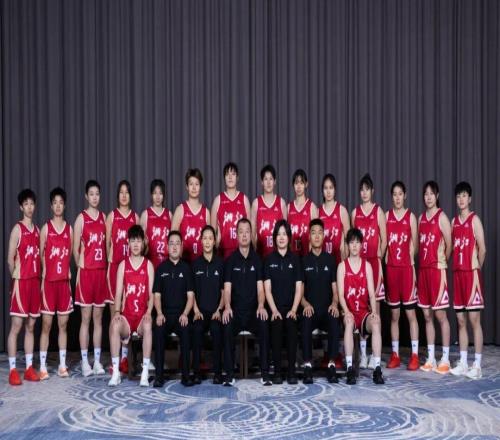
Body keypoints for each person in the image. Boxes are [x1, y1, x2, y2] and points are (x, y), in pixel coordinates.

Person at [222, 218, 271, 386]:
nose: (244, 235)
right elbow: (227, 289)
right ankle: (229, 374)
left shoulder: (257, 260)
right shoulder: (230, 261)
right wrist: (227, 307)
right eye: (241, 232)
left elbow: (261, 289)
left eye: (247, 232)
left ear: (252, 235)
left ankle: (265, 373)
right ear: (236, 235)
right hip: (236, 312)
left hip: (252, 312)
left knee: (264, 323)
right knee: (226, 323)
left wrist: (261, 305)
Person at [108, 225, 154, 387]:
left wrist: (149, 311)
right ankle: (116, 371)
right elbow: (118, 293)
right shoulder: (123, 265)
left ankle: (145, 372)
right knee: (114, 324)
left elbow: (152, 294)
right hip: (127, 317)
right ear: (128, 243)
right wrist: (117, 312)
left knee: (148, 325)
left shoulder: (148, 265)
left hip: (141, 317)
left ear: (143, 243)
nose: (135, 244)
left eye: (138, 241)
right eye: (133, 241)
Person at [337, 228, 384, 385]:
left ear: (361, 245)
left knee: (376, 322)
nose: (354, 246)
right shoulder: (342, 266)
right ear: (347, 245)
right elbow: (340, 295)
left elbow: (371, 294)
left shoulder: (367, 266)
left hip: (363, 314)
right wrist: (346, 311)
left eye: (357, 242)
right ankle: (350, 368)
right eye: (352, 243)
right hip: (349, 312)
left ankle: (377, 368)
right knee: (349, 322)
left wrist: (374, 312)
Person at [450, 182, 486, 379]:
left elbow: (483, 249)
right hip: (458, 275)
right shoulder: (454, 222)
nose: (461, 199)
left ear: (470, 198)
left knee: (474, 319)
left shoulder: (475, 220)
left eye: (464, 195)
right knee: (460, 320)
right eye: (458, 196)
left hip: (471, 275)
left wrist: (476, 268)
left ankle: (477, 365)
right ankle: (463, 362)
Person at [351, 173, 387, 369]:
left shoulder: (378, 211)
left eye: (367, 189)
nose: (364, 193)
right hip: (359, 265)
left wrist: (378, 257)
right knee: (361, 308)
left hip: (373, 263)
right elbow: (352, 239)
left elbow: (385, 239)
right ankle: (363, 354)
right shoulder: (355, 213)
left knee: (375, 310)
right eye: (361, 190)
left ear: (372, 191)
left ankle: (375, 354)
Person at [418, 181, 452, 374]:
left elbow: (449, 244)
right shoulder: (421, 218)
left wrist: (441, 262)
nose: (428, 197)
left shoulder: (442, 217)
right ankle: (430, 357)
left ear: (437, 196)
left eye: (432, 193)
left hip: (437, 270)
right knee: (427, 315)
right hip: (423, 271)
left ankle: (445, 358)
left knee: (440, 315)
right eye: (426, 194)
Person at [385, 181, 420, 371]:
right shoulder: (386, 216)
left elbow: (415, 246)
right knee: (394, 315)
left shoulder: (410, 217)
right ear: (391, 196)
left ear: (405, 195)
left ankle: (414, 355)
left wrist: (408, 263)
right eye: (394, 194)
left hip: (406, 270)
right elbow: (384, 243)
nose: (397, 197)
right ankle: (395, 354)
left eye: (400, 194)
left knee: (410, 313)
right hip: (391, 269)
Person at [7, 189, 41, 385]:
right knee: (16, 326)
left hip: (34, 283)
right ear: (21, 207)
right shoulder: (17, 229)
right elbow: (10, 259)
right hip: (21, 282)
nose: (29, 207)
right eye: (26, 204)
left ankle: (28, 368)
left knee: (31, 326)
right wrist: (16, 278)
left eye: (31, 203)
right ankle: (13, 370)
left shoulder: (37, 230)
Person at [73, 180, 107, 377]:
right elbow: (75, 249)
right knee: (85, 319)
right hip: (87, 273)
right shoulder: (81, 218)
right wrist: (83, 266)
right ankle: (85, 361)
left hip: (101, 273)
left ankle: (97, 361)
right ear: (86, 196)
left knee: (98, 319)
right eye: (91, 194)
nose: (94, 197)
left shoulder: (103, 217)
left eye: (97, 194)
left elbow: (107, 246)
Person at [39, 187, 73, 380]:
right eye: (55, 203)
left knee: (63, 325)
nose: (58, 206)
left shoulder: (69, 229)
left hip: (63, 284)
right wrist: (46, 271)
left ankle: (62, 365)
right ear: (51, 206)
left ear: (64, 205)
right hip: (49, 283)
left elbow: (70, 254)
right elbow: (41, 254)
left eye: (61, 202)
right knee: (46, 324)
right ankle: (43, 366)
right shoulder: (46, 228)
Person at [301, 219, 340, 384]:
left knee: (334, 319)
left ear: (323, 236)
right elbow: (300, 293)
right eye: (313, 233)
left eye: (319, 233)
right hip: (311, 309)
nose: (316, 236)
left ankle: (331, 364)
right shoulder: (304, 261)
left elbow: (335, 290)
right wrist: (305, 304)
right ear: (309, 236)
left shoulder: (330, 260)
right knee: (305, 320)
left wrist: (335, 304)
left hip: (326, 309)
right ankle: (307, 365)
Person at [264, 220, 303, 384]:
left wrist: (294, 309)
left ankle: (292, 372)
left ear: (289, 238)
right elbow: (267, 289)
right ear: (274, 237)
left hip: (291, 308)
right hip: (275, 308)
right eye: (278, 234)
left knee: (292, 327)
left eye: (284, 234)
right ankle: (278, 372)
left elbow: (299, 288)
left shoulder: (295, 259)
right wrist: (274, 310)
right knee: (276, 326)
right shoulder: (268, 259)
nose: (281, 237)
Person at [153, 231, 194, 387]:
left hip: (181, 314)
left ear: (182, 246)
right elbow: (157, 296)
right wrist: (159, 313)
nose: (175, 247)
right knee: (158, 330)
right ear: (167, 246)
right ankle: (159, 376)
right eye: (171, 243)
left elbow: (190, 297)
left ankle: (186, 376)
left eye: (177, 243)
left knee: (186, 330)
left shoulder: (187, 268)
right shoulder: (161, 268)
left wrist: (185, 314)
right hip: (165, 314)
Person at [106, 180, 139, 373]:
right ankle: (115, 360)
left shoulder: (135, 217)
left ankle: (125, 359)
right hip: (115, 268)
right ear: (117, 195)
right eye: (121, 192)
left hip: (131, 270)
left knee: (129, 313)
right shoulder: (112, 216)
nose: (124, 196)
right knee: (115, 315)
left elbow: (140, 244)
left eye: (127, 192)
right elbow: (107, 245)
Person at [191, 225, 225, 384]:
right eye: (204, 238)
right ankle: (197, 372)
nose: (207, 241)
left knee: (217, 330)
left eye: (210, 238)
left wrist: (219, 309)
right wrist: (196, 310)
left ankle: (217, 372)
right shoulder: (195, 264)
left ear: (214, 241)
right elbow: (191, 292)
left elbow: (224, 291)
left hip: (215, 311)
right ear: (200, 241)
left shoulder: (220, 263)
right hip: (200, 311)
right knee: (197, 329)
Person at [210, 162, 251, 260]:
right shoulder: (218, 200)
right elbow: (212, 231)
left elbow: (250, 229)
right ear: (224, 178)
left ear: (237, 177)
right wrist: (217, 242)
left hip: (241, 251)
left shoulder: (244, 199)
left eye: (233, 174)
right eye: (227, 174)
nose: (230, 177)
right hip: (223, 253)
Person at [171, 168, 210, 263]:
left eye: (197, 184)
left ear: (200, 187)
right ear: (187, 187)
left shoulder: (206, 212)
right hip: (183, 262)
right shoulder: (180, 209)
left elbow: (210, 239)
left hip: (202, 262)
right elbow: (172, 239)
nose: (194, 188)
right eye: (191, 184)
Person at [251, 164, 287, 258]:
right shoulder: (256, 203)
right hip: (260, 255)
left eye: (271, 179)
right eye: (265, 179)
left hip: (278, 256)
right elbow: (252, 233)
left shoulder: (281, 203)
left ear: (275, 182)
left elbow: (286, 232)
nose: (268, 182)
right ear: (262, 182)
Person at [140, 179, 172, 270]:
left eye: (160, 193)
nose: (158, 197)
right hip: (150, 262)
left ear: (164, 195)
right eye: (155, 193)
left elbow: (173, 239)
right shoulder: (145, 214)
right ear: (151, 195)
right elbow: (141, 242)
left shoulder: (169, 214)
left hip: (167, 262)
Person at [318, 174, 350, 264]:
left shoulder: (342, 210)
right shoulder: (318, 211)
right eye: (326, 188)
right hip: (322, 261)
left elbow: (348, 238)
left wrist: (345, 257)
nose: (328, 191)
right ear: (322, 190)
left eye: (331, 188)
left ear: (335, 189)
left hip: (338, 260)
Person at [287, 169, 318, 256]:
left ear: (306, 184)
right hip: (292, 256)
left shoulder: (312, 207)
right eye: (296, 183)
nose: (299, 186)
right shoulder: (289, 207)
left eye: (301, 183)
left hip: (308, 256)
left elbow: (316, 234)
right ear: (293, 185)